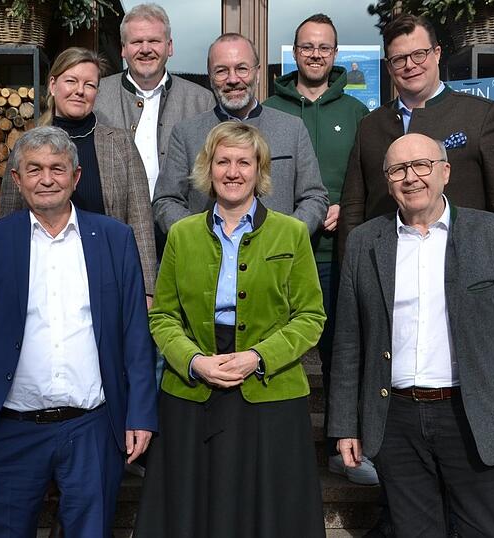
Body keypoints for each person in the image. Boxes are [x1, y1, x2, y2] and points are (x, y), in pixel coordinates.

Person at [329, 133, 494, 537]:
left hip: (472, 413)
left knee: (487, 530)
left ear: (445, 172)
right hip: (397, 419)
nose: (410, 177)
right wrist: (346, 425)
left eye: (421, 165)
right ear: (387, 181)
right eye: (397, 169)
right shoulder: (365, 243)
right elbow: (348, 344)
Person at [0, 126, 158, 537]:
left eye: (57, 169)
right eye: (34, 169)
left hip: (92, 429)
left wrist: (140, 414)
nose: (46, 179)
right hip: (8, 429)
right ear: (16, 179)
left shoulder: (114, 239)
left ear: (76, 177)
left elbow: (135, 336)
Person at [135, 122, 326, 537]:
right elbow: (163, 316)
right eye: (223, 161)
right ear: (208, 168)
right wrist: (193, 361)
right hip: (193, 390)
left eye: (244, 162)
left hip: (270, 388)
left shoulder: (291, 232)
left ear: (260, 170)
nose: (233, 171)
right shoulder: (182, 234)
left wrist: (259, 357)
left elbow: (311, 317)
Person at [263, 12, 376, 486]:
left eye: (324, 48)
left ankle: (340, 447)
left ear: (335, 56)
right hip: (273, 254)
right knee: (269, 348)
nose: (314, 54)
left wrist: (345, 211)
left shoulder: (355, 114)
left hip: (334, 254)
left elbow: (370, 181)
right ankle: (269, 451)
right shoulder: (269, 109)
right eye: (306, 46)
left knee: (340, 352)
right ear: (294, 52)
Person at [338, 13, 494, 263]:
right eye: (399, 59)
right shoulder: (370, 126)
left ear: (437, 53)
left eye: (419, 54)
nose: (410, 65)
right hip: (388, 270)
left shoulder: (481, 115)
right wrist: (354, 268)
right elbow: (353, 208)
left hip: (464, 265)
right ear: (388, 67)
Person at [0, 47, 157, 298]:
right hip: (41, 277)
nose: (79, 91)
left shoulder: (120, 144)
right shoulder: (27, 145)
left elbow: (140, 222)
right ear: (52, 85)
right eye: (71, 81)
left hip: (107, 276)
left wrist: (147, 292)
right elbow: (8, 215)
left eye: (89, 85)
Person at [152, 33, 328, 236]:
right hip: (210, 261)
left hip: (276, 261)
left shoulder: (292, 129)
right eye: (221, 71)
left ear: (258, 73)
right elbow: (166, 201)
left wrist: (286, 238)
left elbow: (315, 197)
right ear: (210, 77)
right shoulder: (186, 134)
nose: (233, 79)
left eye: (242, 69)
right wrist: (199, 239)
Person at [94, 3, 215, 201]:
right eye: (136, 42)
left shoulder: (201, 101)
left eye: (154, 41)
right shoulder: (98, 96)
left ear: (169, 47)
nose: (145, 49)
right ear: (123, 49)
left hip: (180, 222)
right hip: (114, 221)